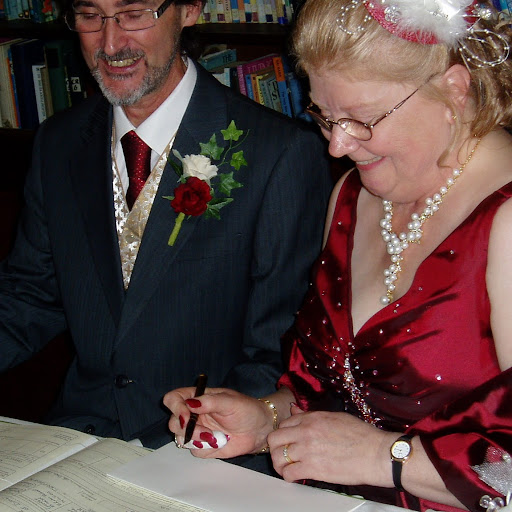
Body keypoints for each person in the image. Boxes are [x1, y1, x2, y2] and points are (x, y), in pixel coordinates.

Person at [164, 0, 512, 509]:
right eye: (325, 118)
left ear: (454, 91)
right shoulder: (353, 194)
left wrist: (385, 458)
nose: (337, 145)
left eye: (361, 119)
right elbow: (330, 389)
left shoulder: (505, 222)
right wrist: (267, 420)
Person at [0, 0, 333, 458]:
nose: (110, 43)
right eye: (91, 16)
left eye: (134, 13)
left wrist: (210, 430)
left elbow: (280, 347)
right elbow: (30, 293)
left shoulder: (280, 153)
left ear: (189, 9)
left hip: (206, 448)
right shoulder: (58, 142)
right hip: (78, 435)